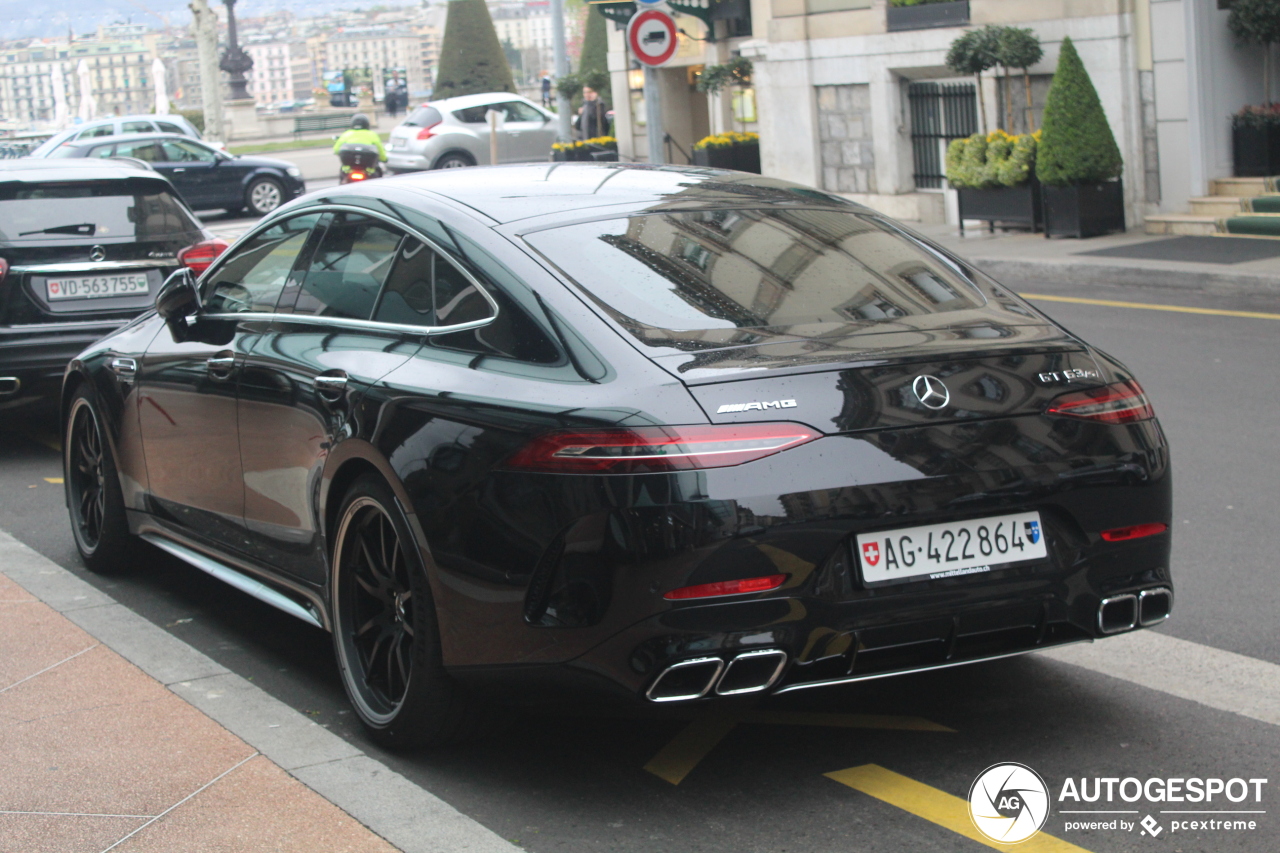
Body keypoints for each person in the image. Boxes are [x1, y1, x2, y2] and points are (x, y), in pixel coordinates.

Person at [332, 113, 386, 178]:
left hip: (348, 170)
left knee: (342, 176)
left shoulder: (346, 134)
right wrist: (384, 159)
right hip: (368, 171)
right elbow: (380, 150)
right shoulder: (372, 135)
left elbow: (336, 150)